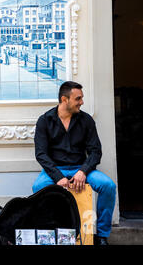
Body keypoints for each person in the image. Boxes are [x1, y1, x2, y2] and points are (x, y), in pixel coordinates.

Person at [32, 81, 116, 246]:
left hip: (81, 168)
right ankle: (49, 234)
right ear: (64, 99)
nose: (82, 102)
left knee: (108, 186)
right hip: (55, 170)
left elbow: (95, 152)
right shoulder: (44, 121)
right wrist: (57, 177)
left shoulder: (86, 120)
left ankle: (101, 236)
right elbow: (41, 154)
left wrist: (83, 171)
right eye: (78, 99)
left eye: (81, 98)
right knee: (38, 188)